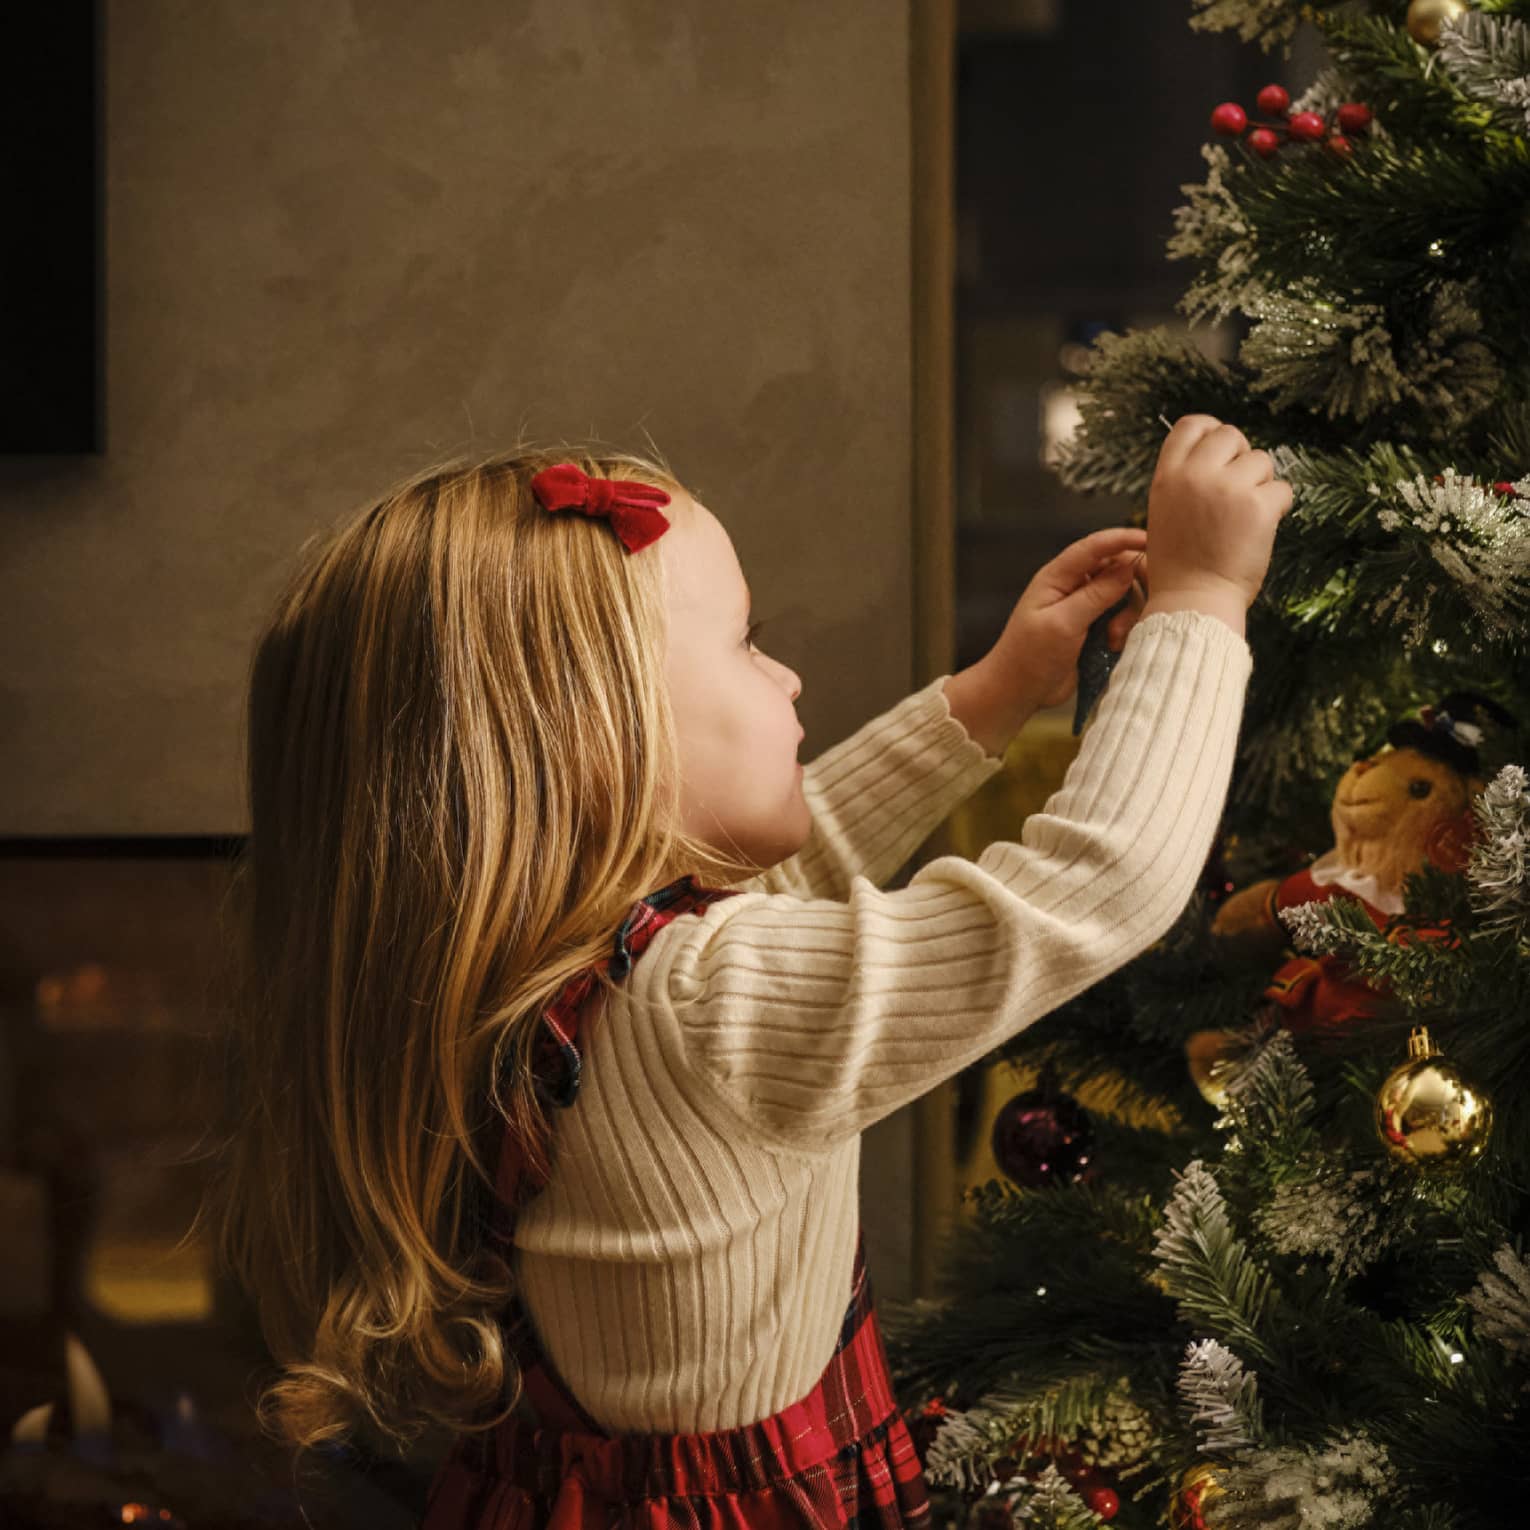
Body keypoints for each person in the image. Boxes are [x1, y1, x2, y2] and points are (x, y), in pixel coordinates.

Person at [211, 416, 1289, 1528]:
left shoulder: (537, 960)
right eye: (742, 642)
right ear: (599, 737)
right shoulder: (701, 1011)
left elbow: (777, 881)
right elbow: (1091, 887)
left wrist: (999, 689)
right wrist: (1204, 603)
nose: (787, 674)